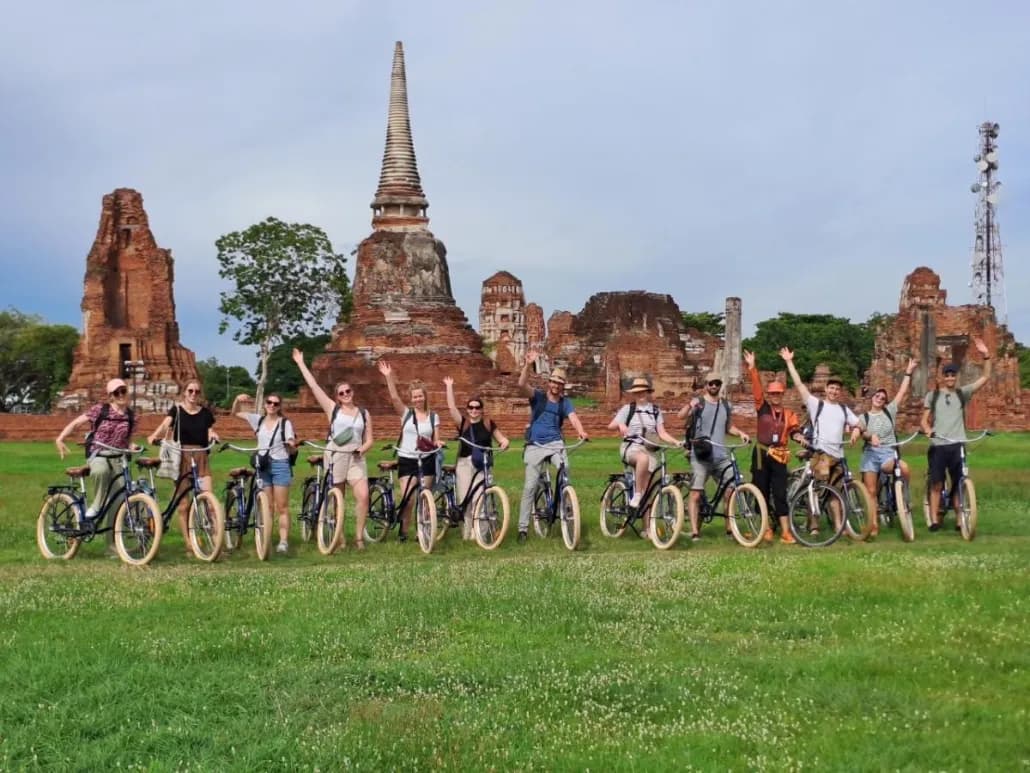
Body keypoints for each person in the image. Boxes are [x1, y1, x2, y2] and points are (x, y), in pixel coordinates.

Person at [293, 349, 374, 550]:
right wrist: (301, 363)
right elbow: (313, 386)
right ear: (337, 397)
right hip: (336, 454)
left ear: (353, 392)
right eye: (341, 393)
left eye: (348, 391)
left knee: (363, 496)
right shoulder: (333, 409)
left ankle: (359, 538)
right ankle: (340, 536)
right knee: (338, 497)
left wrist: (362, 450)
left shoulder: (364, 413)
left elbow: (370, 439)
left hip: (356, 457)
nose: (345, 395)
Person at [780, 348, 861, 534]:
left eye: (837, 389)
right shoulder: (817, 404)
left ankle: (839, 526)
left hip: (838, 456)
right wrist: (789, 362)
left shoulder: (843, 409)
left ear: (840, 392)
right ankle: (814, 525)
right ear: (826, 389)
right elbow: (799, 385)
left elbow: (859, 423)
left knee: (836, 493)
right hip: (821, 454)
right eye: (831, 388)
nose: (834, 391)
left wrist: (857, 430)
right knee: (816, 490)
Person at [55, 378, 140, 550]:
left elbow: (127, 439)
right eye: (116, 392)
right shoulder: (100, 410)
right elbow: (76, 423)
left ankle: (112, 544)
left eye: (123, 391)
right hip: (98, 453)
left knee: (119, 500)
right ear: (111, 396)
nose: (121, 395)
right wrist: (60, 438)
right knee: (101, 470)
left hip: (119, 457)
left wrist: (133, 446)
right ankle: (96, 505)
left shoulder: (132, 416)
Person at [920, 336, 993, 532]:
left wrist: (986, 355)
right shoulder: (933, 395)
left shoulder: (962, 393)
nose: (950, 378)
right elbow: (924, 420)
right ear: (943, 377)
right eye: (947, 375)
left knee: (959, 482)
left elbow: (985, 378)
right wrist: (928, 430)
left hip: (957, 444)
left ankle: (960, 519)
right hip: (938, 445)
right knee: (936, 483)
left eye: (953, 375)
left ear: (956, 377)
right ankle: (934, 520)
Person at [516, 351, 589, 543]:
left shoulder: (565, 403)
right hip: (535, 444)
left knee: (565, 469)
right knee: (530, 486)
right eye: (553, 382)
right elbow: (521, 385)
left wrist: (581, 431)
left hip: (556, 443)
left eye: (559, 383)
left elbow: (573, 418)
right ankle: (522, 528)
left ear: (563, 386)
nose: (556, 386)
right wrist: (527, 364)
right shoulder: (538, 397)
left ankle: (565, 504)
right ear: (549, 383)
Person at [147, 379, 220, 556]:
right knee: (184, 504)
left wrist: (214, 435)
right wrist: (154, 435)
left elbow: (209, 429)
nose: (193, 394)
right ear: (184, 393)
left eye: (197, 391)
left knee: (210, 502)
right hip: (181, 456)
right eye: (190, 391)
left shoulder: (205, 413)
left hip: (201, 456)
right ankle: (189, 543)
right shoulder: (177, 410)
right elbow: (165, 424)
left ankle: (216, 543)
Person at [678, 373, 750, 541]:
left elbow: (728, 427)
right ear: (706, 385)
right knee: (696, 494)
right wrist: (690, 404)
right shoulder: (699, 403)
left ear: (720, 385)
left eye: (717, 383)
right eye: (711, 383)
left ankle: (729, 529)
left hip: (720, 456)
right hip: (701, 455)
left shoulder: (725, 405)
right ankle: (695, 532)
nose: (714, 386)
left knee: (731, 490)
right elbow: (680, 416)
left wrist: (741, 433)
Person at [743, 350, 804, 544]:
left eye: (778, 393)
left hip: (779, 454)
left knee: (779, 492)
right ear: (769, 395)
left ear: (782, 394)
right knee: (760, 489)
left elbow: (794, 431)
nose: (776, 396)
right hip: (761, 453)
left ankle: (785, 531)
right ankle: (766, 528)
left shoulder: (789, 414)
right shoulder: (762, 408)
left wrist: (799, 437)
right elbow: (756, 388)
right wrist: (752, 367)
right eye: (773, 393)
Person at [607, 377, 682, 532]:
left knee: (648, 491)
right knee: (642, 460)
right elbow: (611, 426)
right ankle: (636, 494)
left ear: (648, 392)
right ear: (633, 394)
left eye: (643, 391)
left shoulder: (655, 411)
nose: (640, 394)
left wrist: (675, 442)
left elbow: (662, 433)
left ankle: (647, 528)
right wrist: (621, 425)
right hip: (632, 448)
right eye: (637, 392)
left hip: (650, 450)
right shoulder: (628, 409)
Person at [378, 359, 441, 542]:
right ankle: (404, 530)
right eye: (414, 397)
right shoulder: (406, 414)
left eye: (420, 396)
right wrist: (388, 377)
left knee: (425, 496)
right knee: (409, 498)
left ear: (425, 396)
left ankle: (422, 530)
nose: (418, 399)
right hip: (407, 459)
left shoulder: (433, 417)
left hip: (427, 459)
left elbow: (436, 439)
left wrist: (438, 443)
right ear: (411, 399)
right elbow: (394, 398)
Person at [857, 357, 918, 536]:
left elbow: (902, 392)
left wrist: (908, 372)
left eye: (883, 398)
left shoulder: (889, 411)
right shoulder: (863, 417)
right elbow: (861, 431)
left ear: (885, 402)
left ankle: (904, 497)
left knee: (904, 468)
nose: (880, 399)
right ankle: (874, 525)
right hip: (870, 454)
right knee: (871, 491)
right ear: (872, 398)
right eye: (877, 396)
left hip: (887, 453)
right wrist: (870, 436)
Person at [230, 391, 297, 554]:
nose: (272, 406)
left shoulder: (285, 423)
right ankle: (266, 538)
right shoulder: (258, 420)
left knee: (282, 506)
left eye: (275, 403)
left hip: (280, 464)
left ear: (279, 406)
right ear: (265, 404)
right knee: (267, 506)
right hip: (263, 465)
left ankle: (283, 541)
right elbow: (234, 414)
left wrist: (291, 444)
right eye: (269, 402)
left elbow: (291, 440)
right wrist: (236, 399)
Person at [443, 377, 510, 539]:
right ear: (467, 410)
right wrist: (449, 386)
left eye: (477, 407)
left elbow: (501, 438)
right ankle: (467, 533)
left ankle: (480, 534)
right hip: (464, 464)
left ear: (481, 409)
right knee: (466, 499)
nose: (474, 410)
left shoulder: (488, 423)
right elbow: (452, 408)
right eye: (471, 407)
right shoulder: (464, 423)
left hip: (483, 464)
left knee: (481, 498)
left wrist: (504, 442)